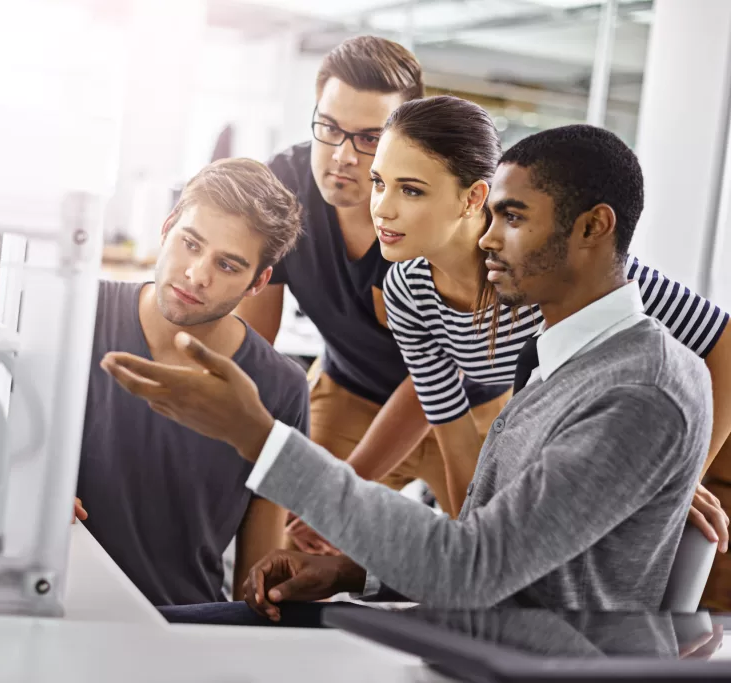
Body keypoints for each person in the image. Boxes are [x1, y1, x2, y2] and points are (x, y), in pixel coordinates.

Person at [101, 123, 713, 619]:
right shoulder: (561, 360)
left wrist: (259, 438)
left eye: (514, 218)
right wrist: (355, 571)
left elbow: (474, 568)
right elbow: (488, 548)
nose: (490, 239)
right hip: (482, 636)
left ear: (593, 228)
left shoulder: (639, 389)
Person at [288, 97, 731, 554]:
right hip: (526, 427)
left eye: (412, 190)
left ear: (473, 198)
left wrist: (683, 474)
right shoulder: (407, 289)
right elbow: (453, 442)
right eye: (379, 183)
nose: (381, 209)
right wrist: (465, 564)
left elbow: (724, 340)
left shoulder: (546, 267)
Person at [236, 37, 512, 546]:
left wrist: (345, 489)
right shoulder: (284, 185)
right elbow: (255, 340)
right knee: (287, 543)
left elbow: (432, 379)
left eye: (368, 138)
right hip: (348, 391)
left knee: (498, 568)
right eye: (329, 128)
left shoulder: (448, 218)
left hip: (473, 408)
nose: (341, 156)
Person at [76, 158, 310, 608]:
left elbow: (258, 583)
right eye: (191, 243)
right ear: (167, 227)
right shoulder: (78, 313)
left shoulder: (281, 389)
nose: (197, 274)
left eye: (227, 265)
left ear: (259, 281)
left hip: (181, 626)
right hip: (54, 601)